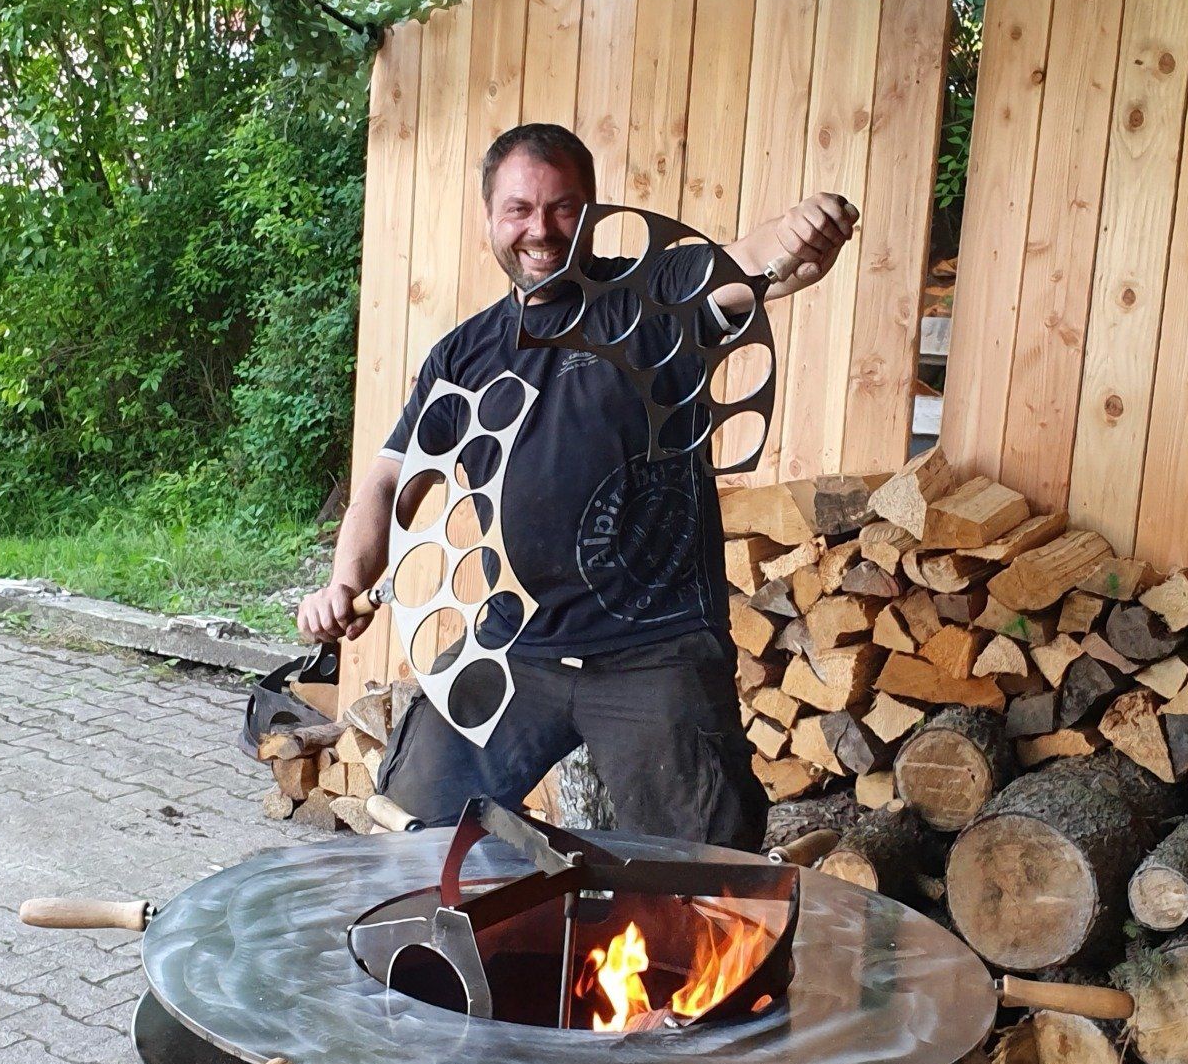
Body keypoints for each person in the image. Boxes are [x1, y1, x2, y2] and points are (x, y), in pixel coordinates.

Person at [299, 123, 858, 848]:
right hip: (513, 647)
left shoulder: (655, 298)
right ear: (490, 218)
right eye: (519, 209)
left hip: (654, 653)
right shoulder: (464, 355)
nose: (540, 229)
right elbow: (386, 483)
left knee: (702, 873)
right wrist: (344, 582)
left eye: (562, 208)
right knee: (413, 827)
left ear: (591, 212)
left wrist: (798, 231)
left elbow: (754, 265)